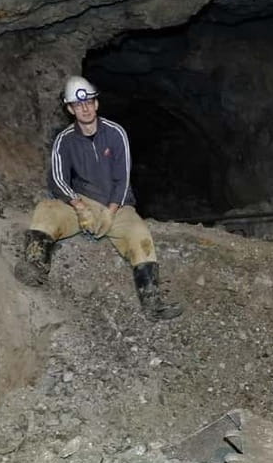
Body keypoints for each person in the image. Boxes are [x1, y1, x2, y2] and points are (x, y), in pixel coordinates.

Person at [14, 76, 182, 321]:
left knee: (140, 237)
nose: (85, 108)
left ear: (96, 104)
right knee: (46, 209)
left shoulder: (115, 133)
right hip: (81, 202)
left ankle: (152, 302)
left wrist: (111, 212)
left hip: (117, 206)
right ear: (70, 109)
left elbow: (122, 178)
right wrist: (79, 206)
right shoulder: (65, 140)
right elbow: (58, 179)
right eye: (78, 105)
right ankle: (35, 264)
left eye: (89, 102)